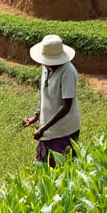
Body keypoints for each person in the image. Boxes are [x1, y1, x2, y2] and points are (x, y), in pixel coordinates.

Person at [22, 34, 81, 168]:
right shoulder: (46, 68)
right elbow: (47, 95)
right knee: (42, 166)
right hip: (49, 127)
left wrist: (43, 128)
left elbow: (66, 106)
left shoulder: (68, 72)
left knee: (60, 167)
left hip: (64, 128)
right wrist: (37, 116)